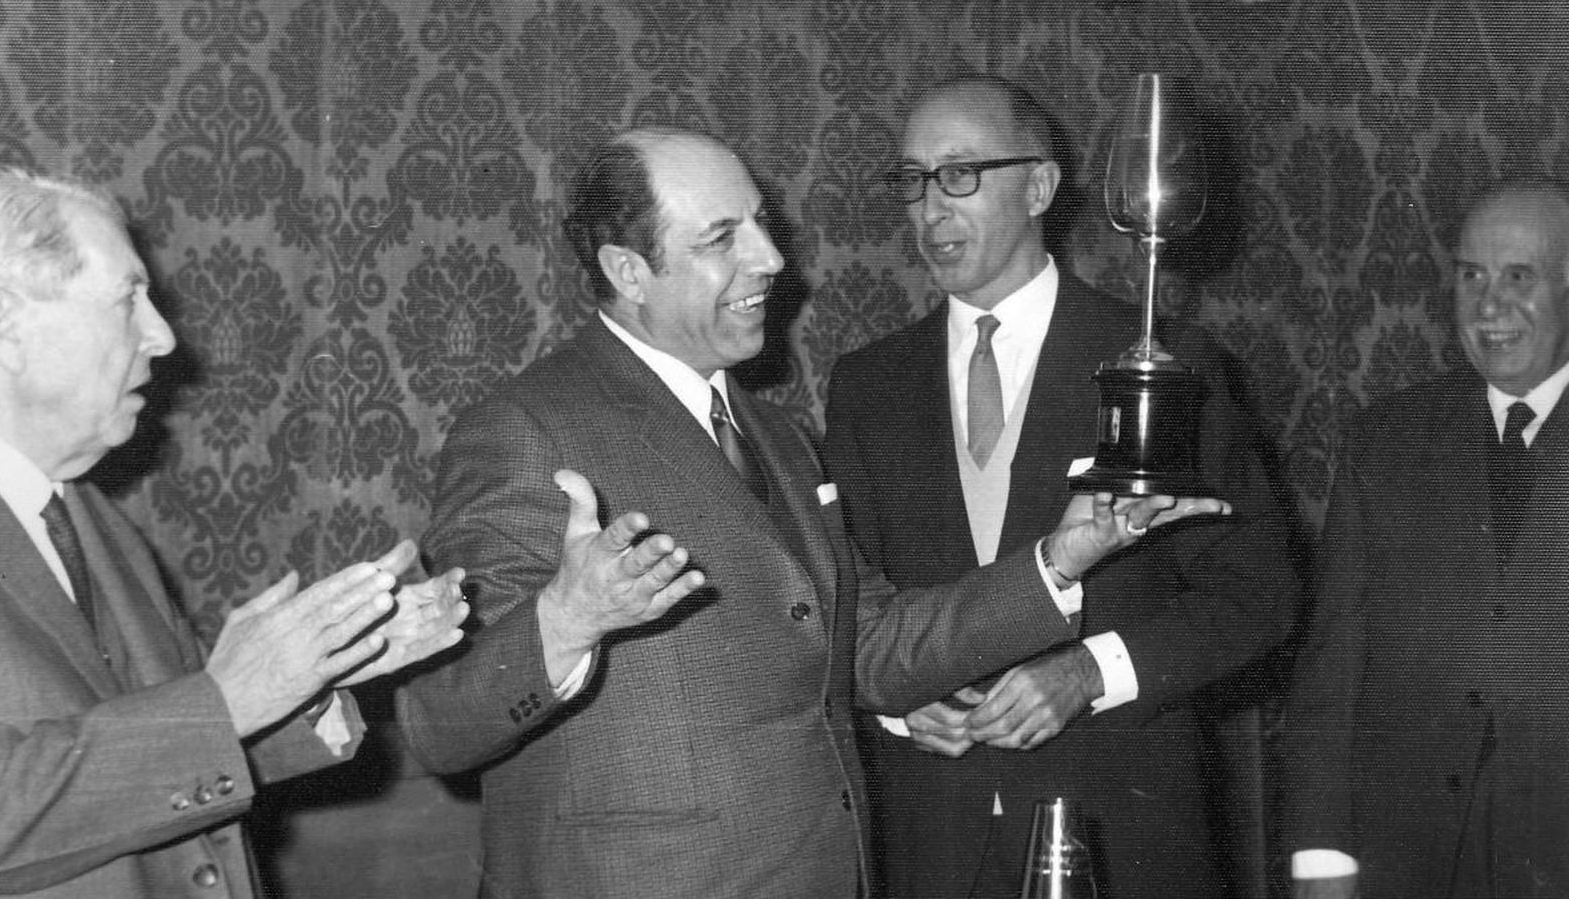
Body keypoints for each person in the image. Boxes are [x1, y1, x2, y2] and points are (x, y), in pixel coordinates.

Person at [395, 126, 1231, 899]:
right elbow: (437, 721)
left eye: (759, 224)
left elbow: (870, 645)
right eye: (723, 239)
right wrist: (563, 622)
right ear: (628, 272)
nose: (769, 260)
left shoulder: (773, 433)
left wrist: (1064, 556)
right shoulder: (523, 430)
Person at [821, 74, 1298, 899]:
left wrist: (1089, 672)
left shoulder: (1163, 366)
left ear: (1039, 186)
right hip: (936, 841)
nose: (930, 208)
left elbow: (1258, 595)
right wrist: (898, 706)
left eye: (960, 174)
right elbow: (843, 606)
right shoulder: (866, 385)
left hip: (1126, 832)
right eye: (912, 179)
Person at [0, 168, 476, 898]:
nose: (163, 336)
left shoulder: (93, 523)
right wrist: (226, 698)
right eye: (127, 300)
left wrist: (312, 677)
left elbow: (164, 770)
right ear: (3, 324)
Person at [1280, 183, 1569, 899]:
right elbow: (1332, 670)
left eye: (1519, 277)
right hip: (1406, 858)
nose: (1489, 306)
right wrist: (1320, 855)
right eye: (1471, 276)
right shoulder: (1387, 441)